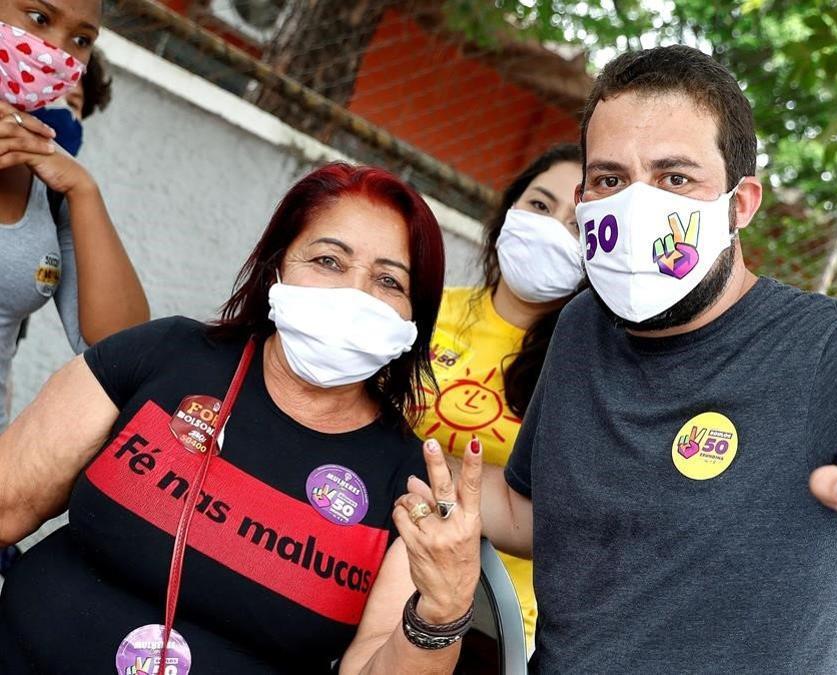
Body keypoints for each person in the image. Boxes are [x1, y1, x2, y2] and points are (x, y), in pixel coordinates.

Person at [412, 45, 837, 672]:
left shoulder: (831, 354)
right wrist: (375, 437)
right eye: (611, 179)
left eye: (675, 177)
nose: (639, 204)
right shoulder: (583, 326)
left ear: (741, 203)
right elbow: (534, 515)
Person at [0, 162, 484, 673]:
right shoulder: (164, 353)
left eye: (389, 280)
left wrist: (442, 610)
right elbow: (8, 502)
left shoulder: (407, 484)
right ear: (276, 269)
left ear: (414, 321)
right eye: (328, 261)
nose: (355, 295)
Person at [416, 142, 584, 648]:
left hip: (490, 618)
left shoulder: (587, 366)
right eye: (540, 205)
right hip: (360, 555)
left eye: (578, 225)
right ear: (509, 209)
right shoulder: (423, 312)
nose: (553, 228)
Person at [0, 0, 148, 434]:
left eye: (81, 40)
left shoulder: (51, 182)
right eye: (39, 18)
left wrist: (85, 192)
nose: (54, 50)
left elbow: (125, 350)